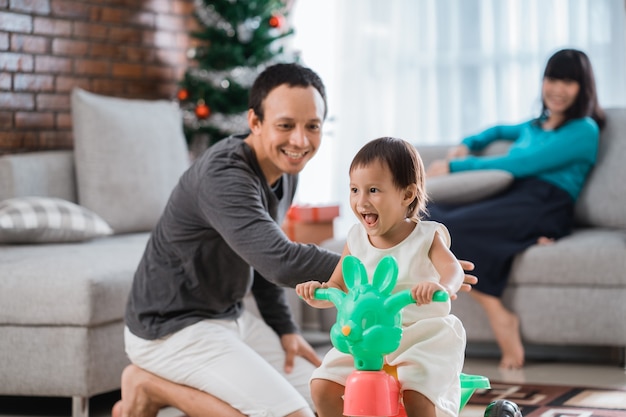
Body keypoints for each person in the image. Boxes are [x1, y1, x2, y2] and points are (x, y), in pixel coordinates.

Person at [113, 63, 478, 417]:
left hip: (227, 318)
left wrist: (285, 329)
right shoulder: (224, 177)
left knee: (334, 394)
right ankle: (148, 386)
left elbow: (258, 258)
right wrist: (399, 265)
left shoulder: (282, 169)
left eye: (312, 126)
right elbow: (278, 260)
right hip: (171, 327)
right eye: (286, 125)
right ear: (254, 122)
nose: (300, 141)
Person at [425, 48, 606, 370]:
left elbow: (523, 163)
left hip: (547, 203)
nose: (558, 89)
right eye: (552, 78)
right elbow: (496, 132)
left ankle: (499, 314)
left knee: (453, 229)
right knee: (430, 221)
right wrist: (470, 141)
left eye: (569, 81)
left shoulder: (585, 130)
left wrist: (457, 165)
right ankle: (499, 302)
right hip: (514, 198)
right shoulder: (535, 126)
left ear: (583, 87)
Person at [296, 137, 467, 417]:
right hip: (364, 335)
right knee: (321, 386)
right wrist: (318, 293)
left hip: (418, 335)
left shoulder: (426, 236)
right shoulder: (356, 238)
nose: (361, 201)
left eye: (373, 190)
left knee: (418, 398)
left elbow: (453, 270)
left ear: (407, 195)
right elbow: (337, 286)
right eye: (354, 190)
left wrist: (442, 286)